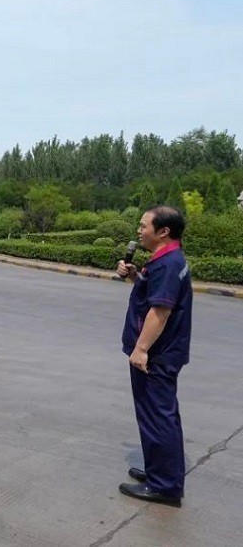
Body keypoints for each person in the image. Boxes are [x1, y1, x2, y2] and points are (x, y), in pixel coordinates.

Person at [115, 206, 192, 508]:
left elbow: (160, 311)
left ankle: (165, 486)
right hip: (162, 353)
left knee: (158, 417)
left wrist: (141, 349)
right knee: (157, 416)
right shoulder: (166, 259)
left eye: (144, 226)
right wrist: (136, 276)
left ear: (163, 232)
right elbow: (152, 295)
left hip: (158, 355)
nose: (139, 231)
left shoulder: (168, 265)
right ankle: (159, 472)